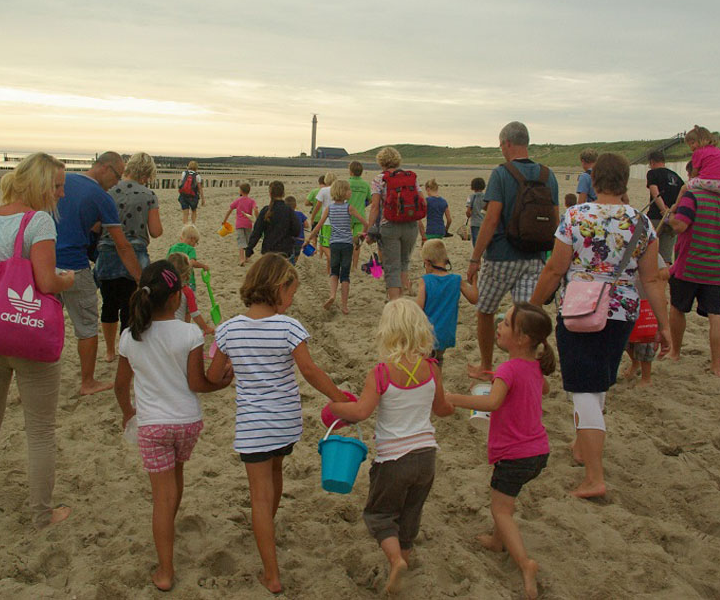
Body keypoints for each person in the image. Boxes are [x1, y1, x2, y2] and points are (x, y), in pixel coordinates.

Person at [529, 153, 671, 499]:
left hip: (579, 309)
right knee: (599, 382)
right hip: (622, 311)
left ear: (594, 181)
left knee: (583, 390)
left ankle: (595, 477)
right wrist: (664, 325)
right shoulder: (641, 222)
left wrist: (532, 307)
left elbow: (554, 269)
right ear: (625, 181)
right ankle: (582, 447)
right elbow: (651, 279)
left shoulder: (576, 217)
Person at [206, 254, 348, 594]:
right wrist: (338, 397)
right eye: (292, 293)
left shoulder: (227, 329)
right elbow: (310, 372)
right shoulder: (289, 327)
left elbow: (213, 376)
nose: (293, 300)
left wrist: (227, 373)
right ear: (278, 287)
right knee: (276, 473)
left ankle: (271, 575)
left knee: (258, 495)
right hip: (285, 423)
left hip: (254, 426)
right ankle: (267, 527)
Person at [0, 152, 75, 527]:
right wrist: (66, 280)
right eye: (57, 186)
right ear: (40, 185)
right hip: (29, 337)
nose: (61, 194)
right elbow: (45, 283)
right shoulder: (39, 222)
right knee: (40, 429)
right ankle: (42, 513)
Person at [113, 261, 232, 591]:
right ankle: (170, 522)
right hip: (186, 422)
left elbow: (120, 385)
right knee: (176, 478)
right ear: (177, 297)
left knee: (161, 498)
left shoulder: (130, 336)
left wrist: (128, 412)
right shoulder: (189, 333)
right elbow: (198, 383)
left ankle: (165, 571)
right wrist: (222, 384)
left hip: (153, 425)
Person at [328, 299, 453, 595]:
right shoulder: (432, 368)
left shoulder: (381, 373)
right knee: (410, 515)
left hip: (394, 459)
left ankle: (396, 561)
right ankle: (402, 562)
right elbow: (442, 408)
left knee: (380, 515)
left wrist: (334, 407)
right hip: (426, 455)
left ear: (387, 331)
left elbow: (360, 413)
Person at [446, 303, 553, 600]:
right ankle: (496, 540)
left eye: (505, 323)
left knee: (501, 509)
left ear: (521, 339)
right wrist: (496, 378)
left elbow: (492, 404)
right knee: (505, 497)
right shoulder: (532, 365)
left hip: (515, 456)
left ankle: (525, 564)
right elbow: (541, 389)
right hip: (538, 452)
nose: (499, 327)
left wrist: (454, 398)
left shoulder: (508, 369)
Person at [467, 122, 559, 379]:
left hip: (501, 258)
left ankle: (487, 366)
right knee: (525, 319)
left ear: (507, 143)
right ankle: (523, 372)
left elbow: (492, 218)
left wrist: (476, 257)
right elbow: (555, 219)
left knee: (485, 310)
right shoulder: (547, 174)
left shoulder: (501, 173)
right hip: (535, 258)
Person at [55, 151, 142, 396]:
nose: (117, 182)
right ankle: (87, 381)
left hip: (46, 262)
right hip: (75, 265)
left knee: (44, 320)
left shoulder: (64, 182)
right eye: (116, 175)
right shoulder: (102, 197)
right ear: (104, 167)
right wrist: (138, 276)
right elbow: (122, 245)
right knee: (86, 327)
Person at [667, 162, 720, 377]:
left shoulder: (693, 196)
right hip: (718, 269)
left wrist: (671, 215)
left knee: (678, 308)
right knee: (717, 314)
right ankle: (716, 365)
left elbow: (680, 225)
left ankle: (675, 352)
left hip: (689, 265)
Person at [96, 152, 162, 363]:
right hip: (136, 254)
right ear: (147, 174)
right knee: (130, 306)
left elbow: (96, 226)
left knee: (108, 304)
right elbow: (156, 231)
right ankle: (127, 351)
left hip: (107, 250)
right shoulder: (149, 195)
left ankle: (109, 350)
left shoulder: (108, 191)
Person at [366, 146, 423, 300]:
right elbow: (420, 200)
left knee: (392, 268)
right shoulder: (411, 177)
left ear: (381, 162)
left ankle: (395, 304)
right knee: (404, 263)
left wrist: (370, 229)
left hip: (389, 225)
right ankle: (405, 298)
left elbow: (375, 207)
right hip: (411, 225)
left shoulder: (379, 179)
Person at [306, 179, 369, 314]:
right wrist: (361, 236)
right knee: (345, 275)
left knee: (334, 272)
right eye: (348, 190)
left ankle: (332, 295)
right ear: (344, 192)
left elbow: (318, 226)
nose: (350, 192)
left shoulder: (329, 208)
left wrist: (309, 239)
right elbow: (365, 222)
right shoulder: (349, 208)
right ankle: (344, 306)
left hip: (334, 243)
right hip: (347, 244)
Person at [416, 239, 477, 368]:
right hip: (446, 334)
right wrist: (475, 280)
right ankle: (437, 384)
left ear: (427, 263)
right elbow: (474, 299)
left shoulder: (426, 280)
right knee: (438, 360)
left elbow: (418, 309)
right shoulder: (456, 280)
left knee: (425, 363)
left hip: (428, 334)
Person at [622, 255, 670, 387]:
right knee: (626, 341)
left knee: (646, 342)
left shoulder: (648, 250)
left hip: (646, 302)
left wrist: (648, 273)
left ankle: (646, 377)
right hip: (625, 301)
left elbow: (666, 272)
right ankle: (635, 363)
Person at [645, 150, 684, 265]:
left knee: (647, 251)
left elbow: (655, 193)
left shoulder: (653, 173)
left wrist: (664, 210)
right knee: (665, 256)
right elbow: (682, 196)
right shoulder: (676, 177)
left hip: (656, 217)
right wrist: (672, 213)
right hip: (672, 219)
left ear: (652, 162)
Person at [245, 181, 301, 260]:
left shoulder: (266, 210)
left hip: (268, 251)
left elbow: (257, 231)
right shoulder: (289, 211)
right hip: (285, 251)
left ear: (270, 194)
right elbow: (296, 231)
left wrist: (249, 248)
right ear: (283, 193)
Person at [167, 252, 214, 336]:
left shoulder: (162, 288)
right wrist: (205, 328)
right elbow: (195, 313)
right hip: (178, 330)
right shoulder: (187, 291)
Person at [685, 125, 720, 197]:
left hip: (709, 182)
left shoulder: (698, 152)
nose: (691, 147)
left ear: (702, 140)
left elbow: (695, 172)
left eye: (692, 143)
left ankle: (678, 205)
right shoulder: (719, 152)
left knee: (687, 186)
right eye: (689, 145)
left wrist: (691, 179)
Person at [222, 182, 258, 267]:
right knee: (248, 240)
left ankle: (242, 259)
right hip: (248, 224)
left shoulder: (238, 200)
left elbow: (229, 210)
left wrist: (224, 221)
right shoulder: (252, 201)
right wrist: (257, 218)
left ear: (241, 191)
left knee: (241, 241)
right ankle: (247, 257)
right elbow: (255, 209)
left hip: (239, 224)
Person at [167, 224, 208, 292]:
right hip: (188, 281)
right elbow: (192, 262)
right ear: (192, 240)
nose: (195, 245)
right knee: (189, 300)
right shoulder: (190, 249)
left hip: (173, 280)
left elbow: (167, 263)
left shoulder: (172, 248)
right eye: (196, 242)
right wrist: (203, 266)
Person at [347, 161, 372, 270]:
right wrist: (363, 205)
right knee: (357, 244)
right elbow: (370, 200)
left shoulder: (347, 183)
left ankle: (346, 264)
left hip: (347, 214)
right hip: (360, 216)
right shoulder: (365, 184)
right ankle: (355, 266)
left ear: (350, 171)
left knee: (346, 242)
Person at [310, 172, 336, 272]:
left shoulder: (323, 190)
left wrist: (313, 217)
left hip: (326, 222)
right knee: (332, 245)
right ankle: (329, 270)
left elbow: (317, 206)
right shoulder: (337, 191)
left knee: (324, 244)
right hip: (336, 222)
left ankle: (331, 261)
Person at [285, 196, 309, 265]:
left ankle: (290, 264)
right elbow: (307, 225)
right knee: (296, 255)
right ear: (295, 206)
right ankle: (293, 264)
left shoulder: (285, 215)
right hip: (299, 240)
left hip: (288, 240)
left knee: (288, 254)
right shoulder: (300, 214)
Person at [466, 177, 487, 247]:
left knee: (476, 243)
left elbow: (468, 212)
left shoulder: (471, 197)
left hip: (475, 223)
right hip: (485, 223)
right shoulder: (486, 197)